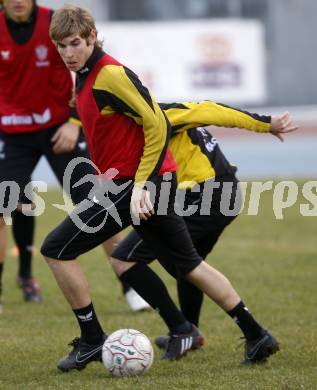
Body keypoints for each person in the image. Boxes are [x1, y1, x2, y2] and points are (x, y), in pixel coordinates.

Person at [42, 5, 281, 372]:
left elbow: (155, 124)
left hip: (135, 187)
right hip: (149, 183)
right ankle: (254, 333)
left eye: (75, 43)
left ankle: (92, 340)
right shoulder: (86, 76)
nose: (68, 53)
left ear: (92, 37)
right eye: (61, 46)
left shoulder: (110, 75)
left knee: (56, 249)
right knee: (188, 265)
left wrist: (141, 186)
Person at [110, 104, 298, 362]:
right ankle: (200, 332)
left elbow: (211, 110)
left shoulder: (157, 115)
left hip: (208, 196)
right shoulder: (135, 120)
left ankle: (187, 330)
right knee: (188, 267)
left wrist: (266, 122)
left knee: (126, 257)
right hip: (217, 194)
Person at [0, 0, 100, 307]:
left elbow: (89, 68)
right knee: (10, 204)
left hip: (60, 129)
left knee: (99, 202)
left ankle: (131, 287)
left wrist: (74, 122)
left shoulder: (55, 22)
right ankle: (22, 278)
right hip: (13, 132)